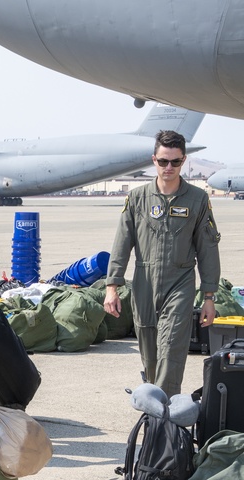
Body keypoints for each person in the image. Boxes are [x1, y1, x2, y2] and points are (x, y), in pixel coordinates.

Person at [104, 130, 221, 397]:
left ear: (184, 161)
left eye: (176, 162)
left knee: (171, 347)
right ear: (153, 160)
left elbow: (208, 249)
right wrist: (112, 285)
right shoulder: (137, 199)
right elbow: (122, 242)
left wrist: (209, 296)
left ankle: (163, 415)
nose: (169, 167)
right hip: (144, 281)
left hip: (180, 282)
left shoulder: (197, 199)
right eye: (163, 161)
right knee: (150, 352)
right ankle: (156, 401)